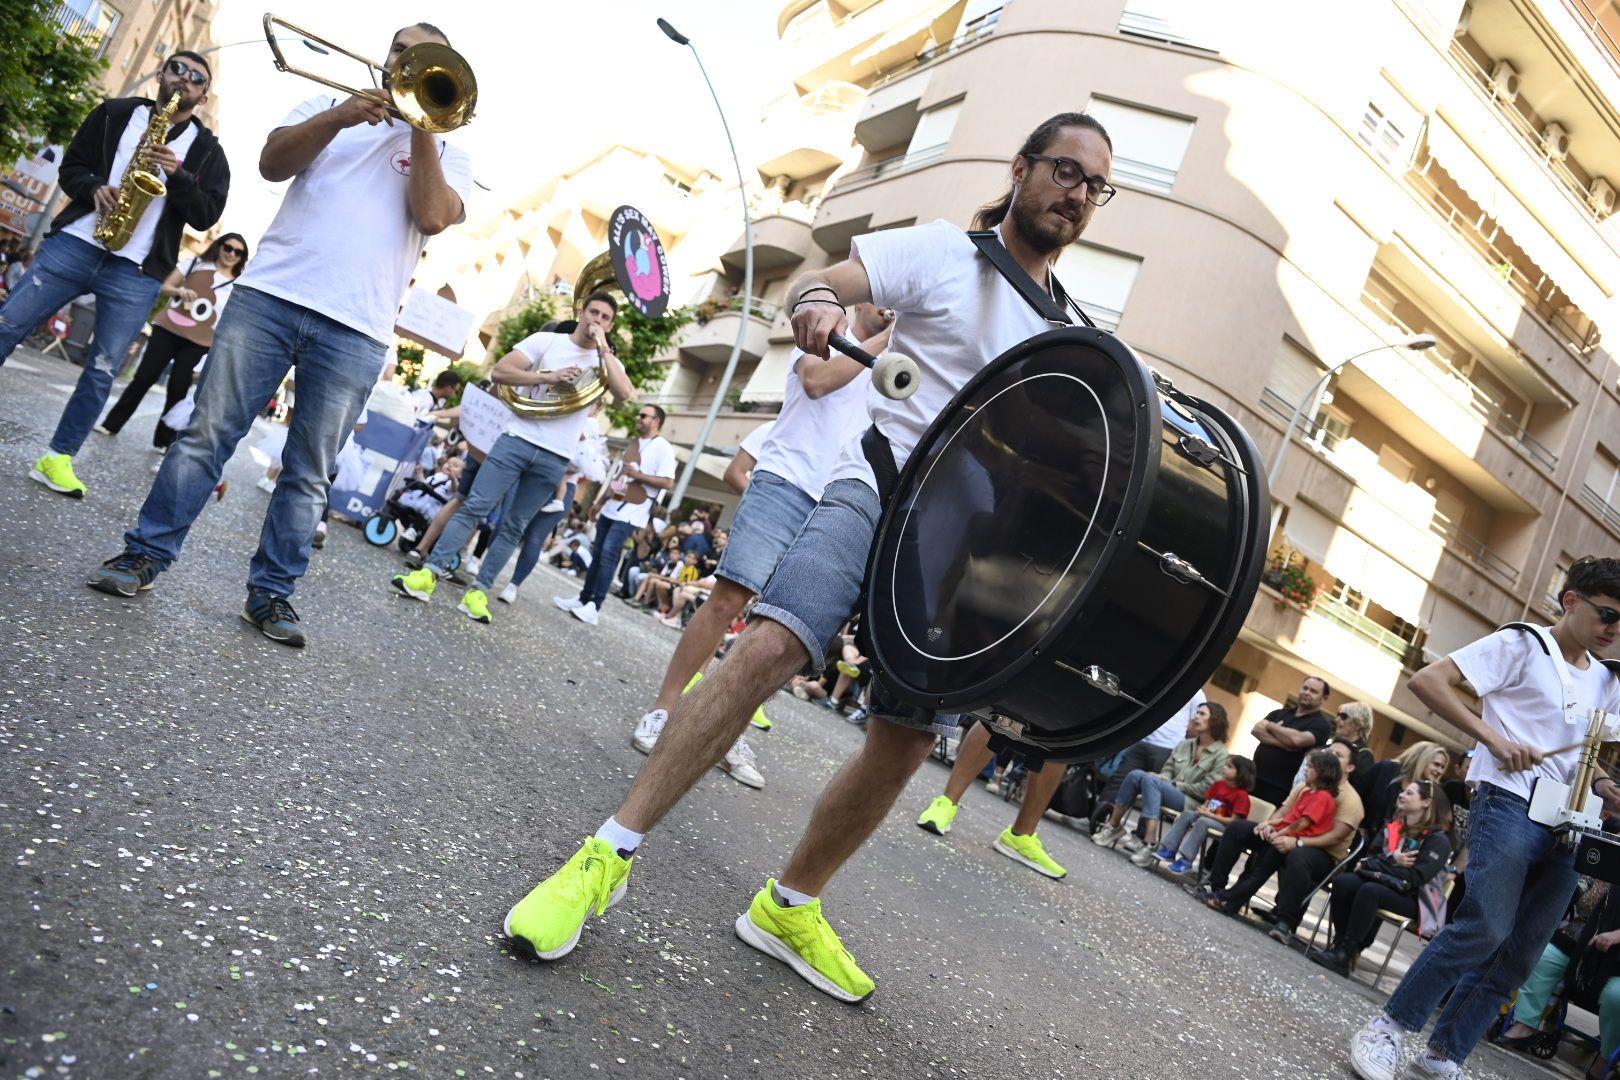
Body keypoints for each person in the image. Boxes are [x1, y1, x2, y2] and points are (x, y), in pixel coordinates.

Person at [501, 111, 1116, 1002]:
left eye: (1095, 186)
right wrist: (819, 304)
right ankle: (606, 857)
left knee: (904, 745)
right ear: (1023, 168)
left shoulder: (1071, 336)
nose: (1078, 194)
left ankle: (789, 906)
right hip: (880, 485)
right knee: (768, 646)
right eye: (1066, 170)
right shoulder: (948, 253)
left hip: (961, 544)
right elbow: (829, 279)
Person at [86, 24, 474, 650]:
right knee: (206, 436)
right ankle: (144, 556)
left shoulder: (452, 149)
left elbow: (432, 215)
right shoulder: (326, 105)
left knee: (308, 473)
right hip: (271, 296)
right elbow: (272, 163)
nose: (406, 62)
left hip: (357, 327)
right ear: (385, 55)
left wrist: (423, 129)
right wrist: (344, 115)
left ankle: (272, 593)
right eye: (400, 49)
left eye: (425, 58)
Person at [1349, 557, 1620, 1080]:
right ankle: (1387, 1027)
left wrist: (1607, 789)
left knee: (1522, 954)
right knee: (1485, 927)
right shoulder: (1521, 644)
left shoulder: (1608, 683)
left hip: (1570, 821)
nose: (1614, 629)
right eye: (1607, 614)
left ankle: (1444, 1053)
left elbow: (1586, 760)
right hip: (1509, 801)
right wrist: (1494, 738)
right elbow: (1429, 681)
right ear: (1570, 601)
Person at [627, 304, 890, 784]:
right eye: (886, 297)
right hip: (784, 481)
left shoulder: (898, 362)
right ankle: (664, 710)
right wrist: (887, 340)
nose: (893, 307)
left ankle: (725, 731)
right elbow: (817, 381)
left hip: (836, 501)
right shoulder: (825, 329)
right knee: (728, 598)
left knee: (777, 630)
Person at [0, 52, 229, 497]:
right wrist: (93, 188)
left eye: (197, 78)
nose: (185, 79)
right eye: (178, 69)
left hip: (138, 270)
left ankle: (57, 458)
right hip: (76, 243)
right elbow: (71, 169)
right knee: (8, 324)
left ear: (203, 95)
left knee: (102, 369)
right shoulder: (114, 113)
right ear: (161, 74)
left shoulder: (207, 152)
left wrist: (177, 176)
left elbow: (207, 215)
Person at [390, 295, 631, 624]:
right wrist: (547, 377)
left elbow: (625, 392)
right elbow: (502, 371)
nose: (597, 321)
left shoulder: (606, 360)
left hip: (556, 456)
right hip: (517, 438)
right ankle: (429, 573)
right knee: (474, 506)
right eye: (594, 313)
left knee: (513, 527)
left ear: (610, 324)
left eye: (605, 317)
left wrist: (604, 347)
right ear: (581, 312)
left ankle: (479, 592)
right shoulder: (547, 341)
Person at [1196, 739, 1363, 942]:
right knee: (1239, 828)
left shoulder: (1347, 800)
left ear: (1349, 767)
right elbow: (1288, 813)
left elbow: (1329, 834)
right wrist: (1269, 825)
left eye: (1338, 756)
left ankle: (1285, 922)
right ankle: (1216, 886)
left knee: (1294, 857)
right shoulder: (1307, 789)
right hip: (1287, 835)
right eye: (1329, 752)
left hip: (1320, 852)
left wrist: (1294, 840)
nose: (1331, 757)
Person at [97, 232, 249, 448]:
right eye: (228, 248)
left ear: (242, 257)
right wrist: (181, 291)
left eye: (238, 252)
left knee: (178, 388)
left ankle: (164, 442)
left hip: (200, 340)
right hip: (169, 328)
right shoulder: (195, 263)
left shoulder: (237, 284)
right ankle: (111, 424)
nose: (231, 254)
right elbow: (164, 286)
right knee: (143, 377)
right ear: (219, 246)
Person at [1311, 779, 1451, 978]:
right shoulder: (1393, 827)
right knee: (1344, 882)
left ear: (1426, 803)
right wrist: (1392, 859)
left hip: (1416, 898)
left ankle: (1346, 953)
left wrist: (1379, 865)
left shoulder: (1438, 841)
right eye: (1403, 791)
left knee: (1369, 891)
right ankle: (1341, 945)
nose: (1401, 795)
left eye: (1409, 793)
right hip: (1382, 882)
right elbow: (1368, 859)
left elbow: (1415, 878)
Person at [554, 405, 676, 626]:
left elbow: (668, 481)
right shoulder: (634, 443)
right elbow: (621, 477)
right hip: (613, 505)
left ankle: (595, 606)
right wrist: (600, 502)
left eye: (643, 415)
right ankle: (583, 599)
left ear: (656, 421)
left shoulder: (663, 448)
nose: (638, 418)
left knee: (610, 553)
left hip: (634, 510)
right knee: (598, 552)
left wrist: (639, 475)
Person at [1090, 701, 1230, 859]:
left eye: (1202, 714)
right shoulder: (1185, 744)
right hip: (1169, 790)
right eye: (1196, 713)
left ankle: (1150, 842)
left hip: (1192, 801)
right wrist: (1164, 777)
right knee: (1136, 774)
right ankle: (1114, 826)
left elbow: (1207, 789)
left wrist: (1173, 784)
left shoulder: (1222, 754)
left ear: (1215, 721)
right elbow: (1168, 770)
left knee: (1151, 781)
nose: (1196, 716)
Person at [1090, 689, 1208, 834]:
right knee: (1119, 780)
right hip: (1142, 741)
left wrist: (1182, 745)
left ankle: (1141, 836)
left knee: (1152, 792)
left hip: (1169, 747)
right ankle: (1100, 819)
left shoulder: (1197, 694)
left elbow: (1196, 725)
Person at [1151, 755, 1256, 876]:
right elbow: (1207, 804)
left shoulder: (1241, 795)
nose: (1224, 768)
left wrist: (1209, 816)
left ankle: (1186, 860)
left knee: (1203, 822)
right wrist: (1201, 810)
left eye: (1229, 766)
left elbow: (1233, 822)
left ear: (1241, 773)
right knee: (1187, 814)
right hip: (1208, 817)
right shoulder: (1219, 785)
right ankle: (1169, 849)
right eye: (1225, 764)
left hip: (1224, 825)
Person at [1249, 675, 1334, 805]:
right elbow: (1256, 730)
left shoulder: (1322, 724)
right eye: (1305, 688)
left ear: (1324, 698)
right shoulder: (1279, 713)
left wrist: (1271, 726)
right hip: (1252, 778)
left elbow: (1297, 740)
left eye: (1313, 691)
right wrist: (1283, 743)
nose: (1306, 692)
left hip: (1281, 789)